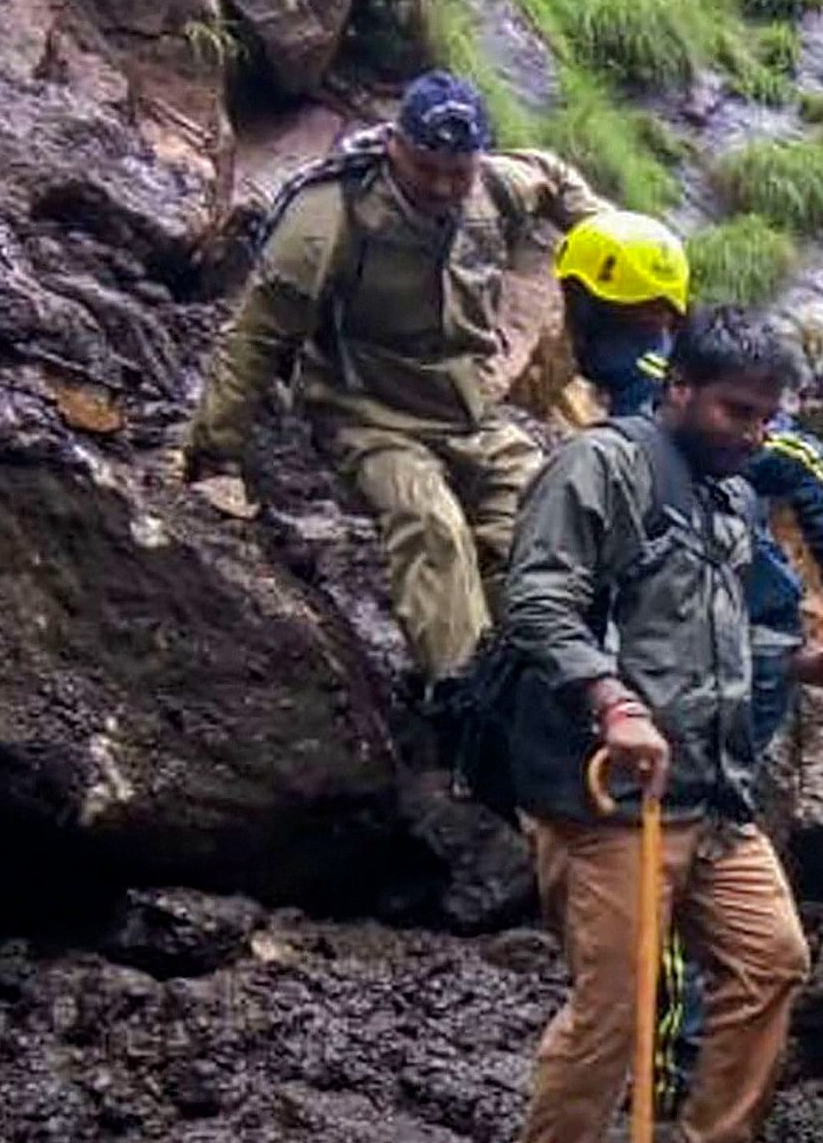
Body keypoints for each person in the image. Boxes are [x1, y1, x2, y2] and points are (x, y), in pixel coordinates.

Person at [483, 311, 816, 1143]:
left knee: (773, 959)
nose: (752, 433)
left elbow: (723, 636)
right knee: (616, 1000)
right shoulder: (606, 468)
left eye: (765, 418)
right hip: (609, 794)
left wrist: (801, 662)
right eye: (735, 411)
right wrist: (612, 703)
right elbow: (538, 598)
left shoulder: (732, 501)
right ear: (677, 390)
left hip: (709, 794)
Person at [553, 209, 823, 1118]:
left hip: (729, 650)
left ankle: (661, 1089)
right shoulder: (650, 380)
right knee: (686, 863)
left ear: (580, 304)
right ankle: (675, 1082)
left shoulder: (652, 383)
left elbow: (810, 463)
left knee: (665, 861)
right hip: (714, 648)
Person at [181, 73, 603, 686]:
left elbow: (553, 177)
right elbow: (255, 337)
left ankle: (550, 683)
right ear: (394, 146)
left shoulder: (492, 188)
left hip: (471, 413)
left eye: (456, 172)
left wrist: (606, 229)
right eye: (425, 167)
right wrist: (213, 457)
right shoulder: (329, 217)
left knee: (547, 522)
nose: (441, 186)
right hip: (368, 415)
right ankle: (464, 697)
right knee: (430, 525)